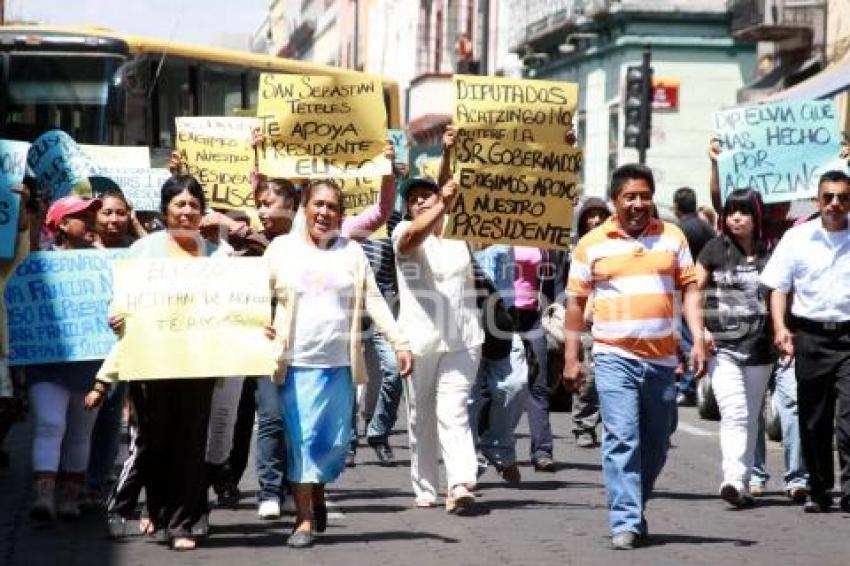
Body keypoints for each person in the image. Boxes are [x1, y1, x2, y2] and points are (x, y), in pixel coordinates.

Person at [564, 164, 706, 550]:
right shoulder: (591, 243)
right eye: (631, 196)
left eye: (645, 196)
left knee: (658, 442)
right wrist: (572, 357)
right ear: (615, 201)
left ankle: (634, 504)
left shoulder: (673, 237)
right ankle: (625, 519)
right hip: (613, 355)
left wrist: (697, 338)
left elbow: (690, 289)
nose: (639, 203)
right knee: (622, 438)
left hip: (662, 360)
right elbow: (575, 302)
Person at [264, 179, 412, 548]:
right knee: (302, 440)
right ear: (304, 207)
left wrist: (399, 342)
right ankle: (302, 520)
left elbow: (375, 300)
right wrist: (259, 324)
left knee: (332, 443)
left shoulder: (352, 253)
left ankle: (316, 490)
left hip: (339, 367)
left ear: (341, 215)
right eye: (318, 204)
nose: (324, 212)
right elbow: (253, 294)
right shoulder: (282, 249)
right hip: (294, 364)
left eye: (332, 207)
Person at [90, 175, 228, 551]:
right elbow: (120, 300)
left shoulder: (216, 254)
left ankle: (182, 522)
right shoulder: (143, 251)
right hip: (152, 361)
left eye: (193, 206)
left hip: (199, 363)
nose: (186, 212)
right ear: (166, 207)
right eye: (179, 204)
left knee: (190, 440)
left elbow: (234, 304)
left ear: (202, 212)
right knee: (157, 439)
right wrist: (116, 316)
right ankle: (159, 510)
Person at [760, 170, 850, 514]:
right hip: (810, 337)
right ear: (817, 201)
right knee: (814, 419)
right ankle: (819, 489)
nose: (835, 204)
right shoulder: (797, 239)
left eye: (842, 197)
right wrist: (780, 327)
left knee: (848, 422)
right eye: (828, 197)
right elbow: (779, 287)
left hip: (848, 337)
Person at [394, 176, 484, 513]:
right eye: (413, 198)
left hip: (463, 338)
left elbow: (504, 230)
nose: (419, 201)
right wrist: (440, 202)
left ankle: (460, 482)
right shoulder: (403, 232)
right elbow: (412, 238)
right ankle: (426, 484)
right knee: (421, 417)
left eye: (425, 195)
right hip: (418, 341)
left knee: (453, 409)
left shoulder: (461, 233)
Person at [27, 196, 104, 522]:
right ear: (60, 224)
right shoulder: (38, 263)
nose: (90, 221)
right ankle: (44, 496)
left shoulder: (105, 263)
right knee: (50, 424)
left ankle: (70, 495)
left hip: (90, 365)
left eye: (91, 215)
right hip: (48, 363)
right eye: (81, 216)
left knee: (80, 432)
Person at [696, 188, 774, 508]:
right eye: (731, 212)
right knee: (735, 412)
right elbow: (692, 289)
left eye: (743, 212)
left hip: (760, 349)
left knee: (752, 416)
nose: (736, 218)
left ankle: (742, 484)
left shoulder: (773, 251)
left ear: (757, 217)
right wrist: (700, 330)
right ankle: (732, 478)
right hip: (722, 348)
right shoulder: (714, 248)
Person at [84, 188, 146, 508]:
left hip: (120, 346)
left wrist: (136, 223)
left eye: (121, 212)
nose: (113, 219)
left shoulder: (137, 252)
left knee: (110, 415)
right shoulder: (77, 250)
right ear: (93, 215)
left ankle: (95, 482)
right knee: (81, 416)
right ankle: (74, 476)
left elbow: (157, 258)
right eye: (107, 212)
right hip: (80, 348)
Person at [570, 197, 612, 448]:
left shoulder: (618, 245)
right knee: (589, 380)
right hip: (586, 322)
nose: (595, 220)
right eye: (590, 215)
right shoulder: (577, 248)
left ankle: (612, 426)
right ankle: (583, 426)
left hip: (613, 320)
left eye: (600, 215)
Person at [672, 186, 716, 407]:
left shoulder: (679, 232)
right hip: (708, 291)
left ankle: (689, 386)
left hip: (688, 292)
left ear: (676, 206)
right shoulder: (707, 229)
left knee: (690, 339)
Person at [0, 183, 31, 470]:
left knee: (7, 402)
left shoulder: (7, 269)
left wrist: (18, 207)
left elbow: (21, 243)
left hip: (5, 346)